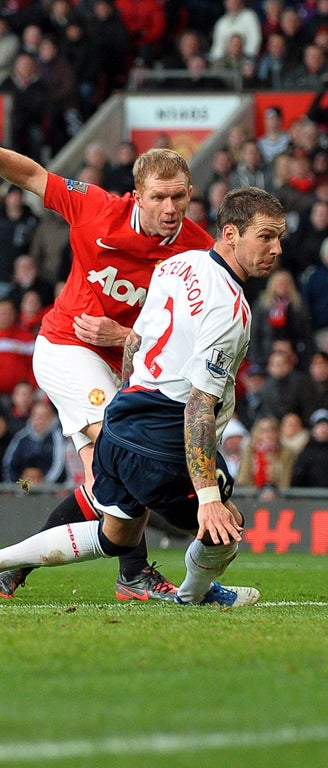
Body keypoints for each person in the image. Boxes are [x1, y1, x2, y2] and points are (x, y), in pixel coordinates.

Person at [0, 186, 288, 606]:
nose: (276, 248)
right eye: (265, 236)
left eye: (279, 237)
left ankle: (5, 561)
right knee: (226, 527)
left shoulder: (178, 264)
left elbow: (136, 342)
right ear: (230, 234)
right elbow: (198, 405)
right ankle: (192, 597)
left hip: (123, 416)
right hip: (162, 438)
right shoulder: (231, 309)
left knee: (115, 535)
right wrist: (208, 498)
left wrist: (124, 400)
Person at [0, 145, 213, 602]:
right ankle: (133, 574)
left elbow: (185, 337)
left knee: (105, 487)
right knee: (126, 455)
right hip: (65, 348)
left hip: (123, 366)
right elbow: (34, 174)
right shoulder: (95, 207)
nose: (170, 209)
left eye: (179, 198)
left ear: (191, 194)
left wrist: (122, 336)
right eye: (158, 197)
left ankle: (12, 568)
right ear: (136, 194)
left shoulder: (199, 252)